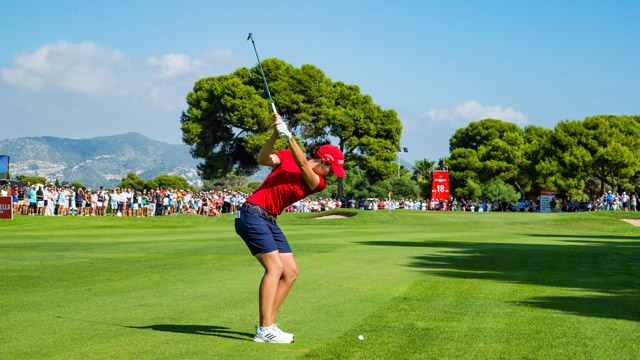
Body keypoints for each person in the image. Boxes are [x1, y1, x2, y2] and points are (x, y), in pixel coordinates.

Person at [235, 113, 346, 344]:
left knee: (291, 272)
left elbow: (303, 164)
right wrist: (277, 134)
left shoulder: (318, 182)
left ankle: (268, 326)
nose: (333, 176)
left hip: (269, 219)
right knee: (274, 268)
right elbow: (263, 159)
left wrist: (289, 135)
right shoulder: (287, 156)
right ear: (324, 161)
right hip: (252, 213)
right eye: (332, 170)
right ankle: (265, 330)